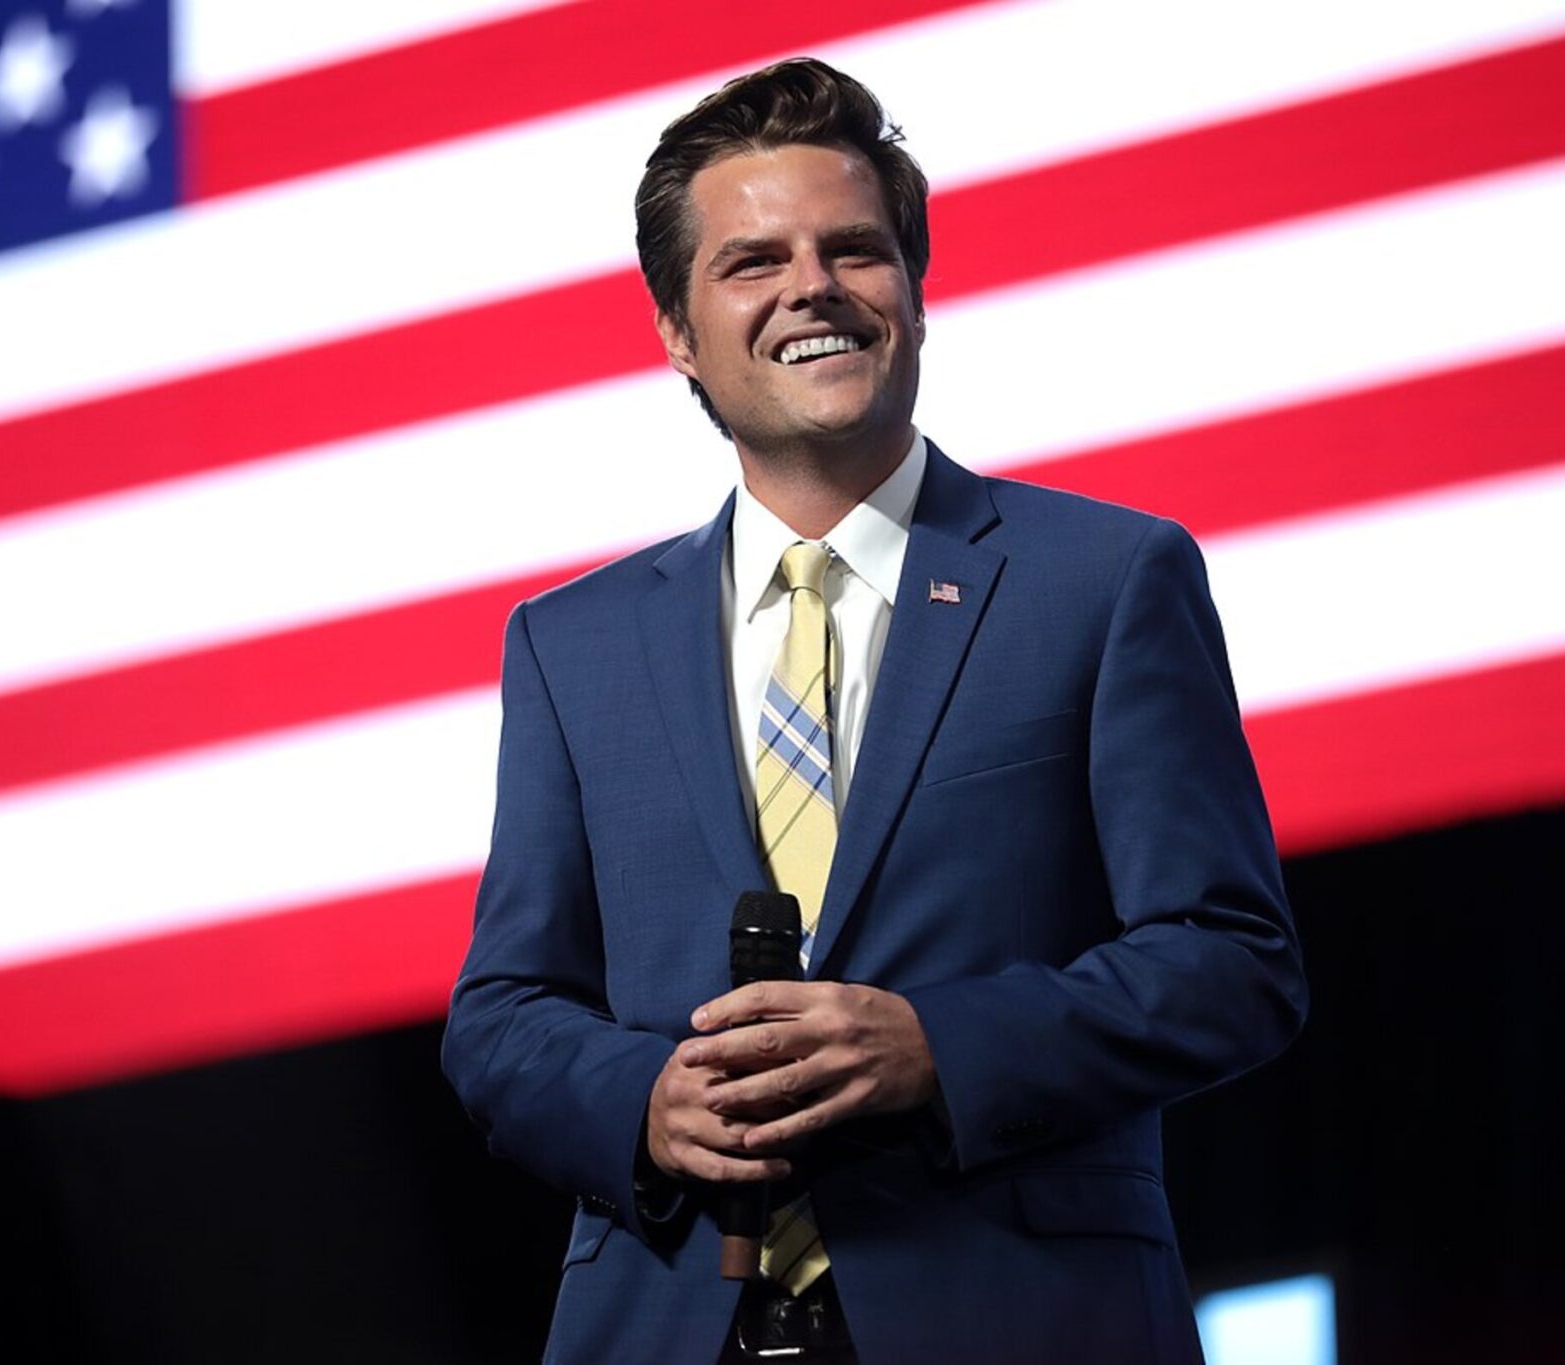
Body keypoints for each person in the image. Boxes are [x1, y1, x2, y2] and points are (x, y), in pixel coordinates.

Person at [442, 59, 1307, 1364]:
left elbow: (1234, 958)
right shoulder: (570, 646)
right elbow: (505, 1014)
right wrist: (645, 1103)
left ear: (912, 288)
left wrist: (938, 1047)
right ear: (678, 329)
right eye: (754, 261)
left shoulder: (1106, 581)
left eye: (856, 248)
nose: (814, 287)